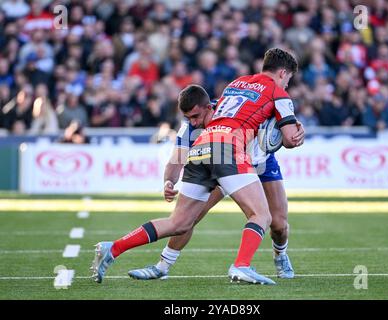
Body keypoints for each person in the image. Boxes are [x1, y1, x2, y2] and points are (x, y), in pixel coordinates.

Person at [91, 48, 301, 285]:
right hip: (232, 150)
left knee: (182, 222)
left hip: (222, 149)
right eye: (288, 79)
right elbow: (290, 139)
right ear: (283, 73)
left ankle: (113, 248)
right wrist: (297, 134)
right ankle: (238, 265)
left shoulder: (236, 84)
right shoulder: (278, 92)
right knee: (261, 214)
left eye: (194, 116)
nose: (191, 121)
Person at [126, 84, 304, 281]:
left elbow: (281, 122)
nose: (192, 123)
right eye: (188, 118)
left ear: (208, 108)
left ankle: (280, 255)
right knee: (190, 217)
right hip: (226, 161)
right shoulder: (188, 128)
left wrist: (296, 127)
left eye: (195, 117)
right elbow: (176, 160)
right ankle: (163, 266)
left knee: (279, 224)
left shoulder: (234, 111)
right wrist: (169, 181)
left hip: (260, 161)